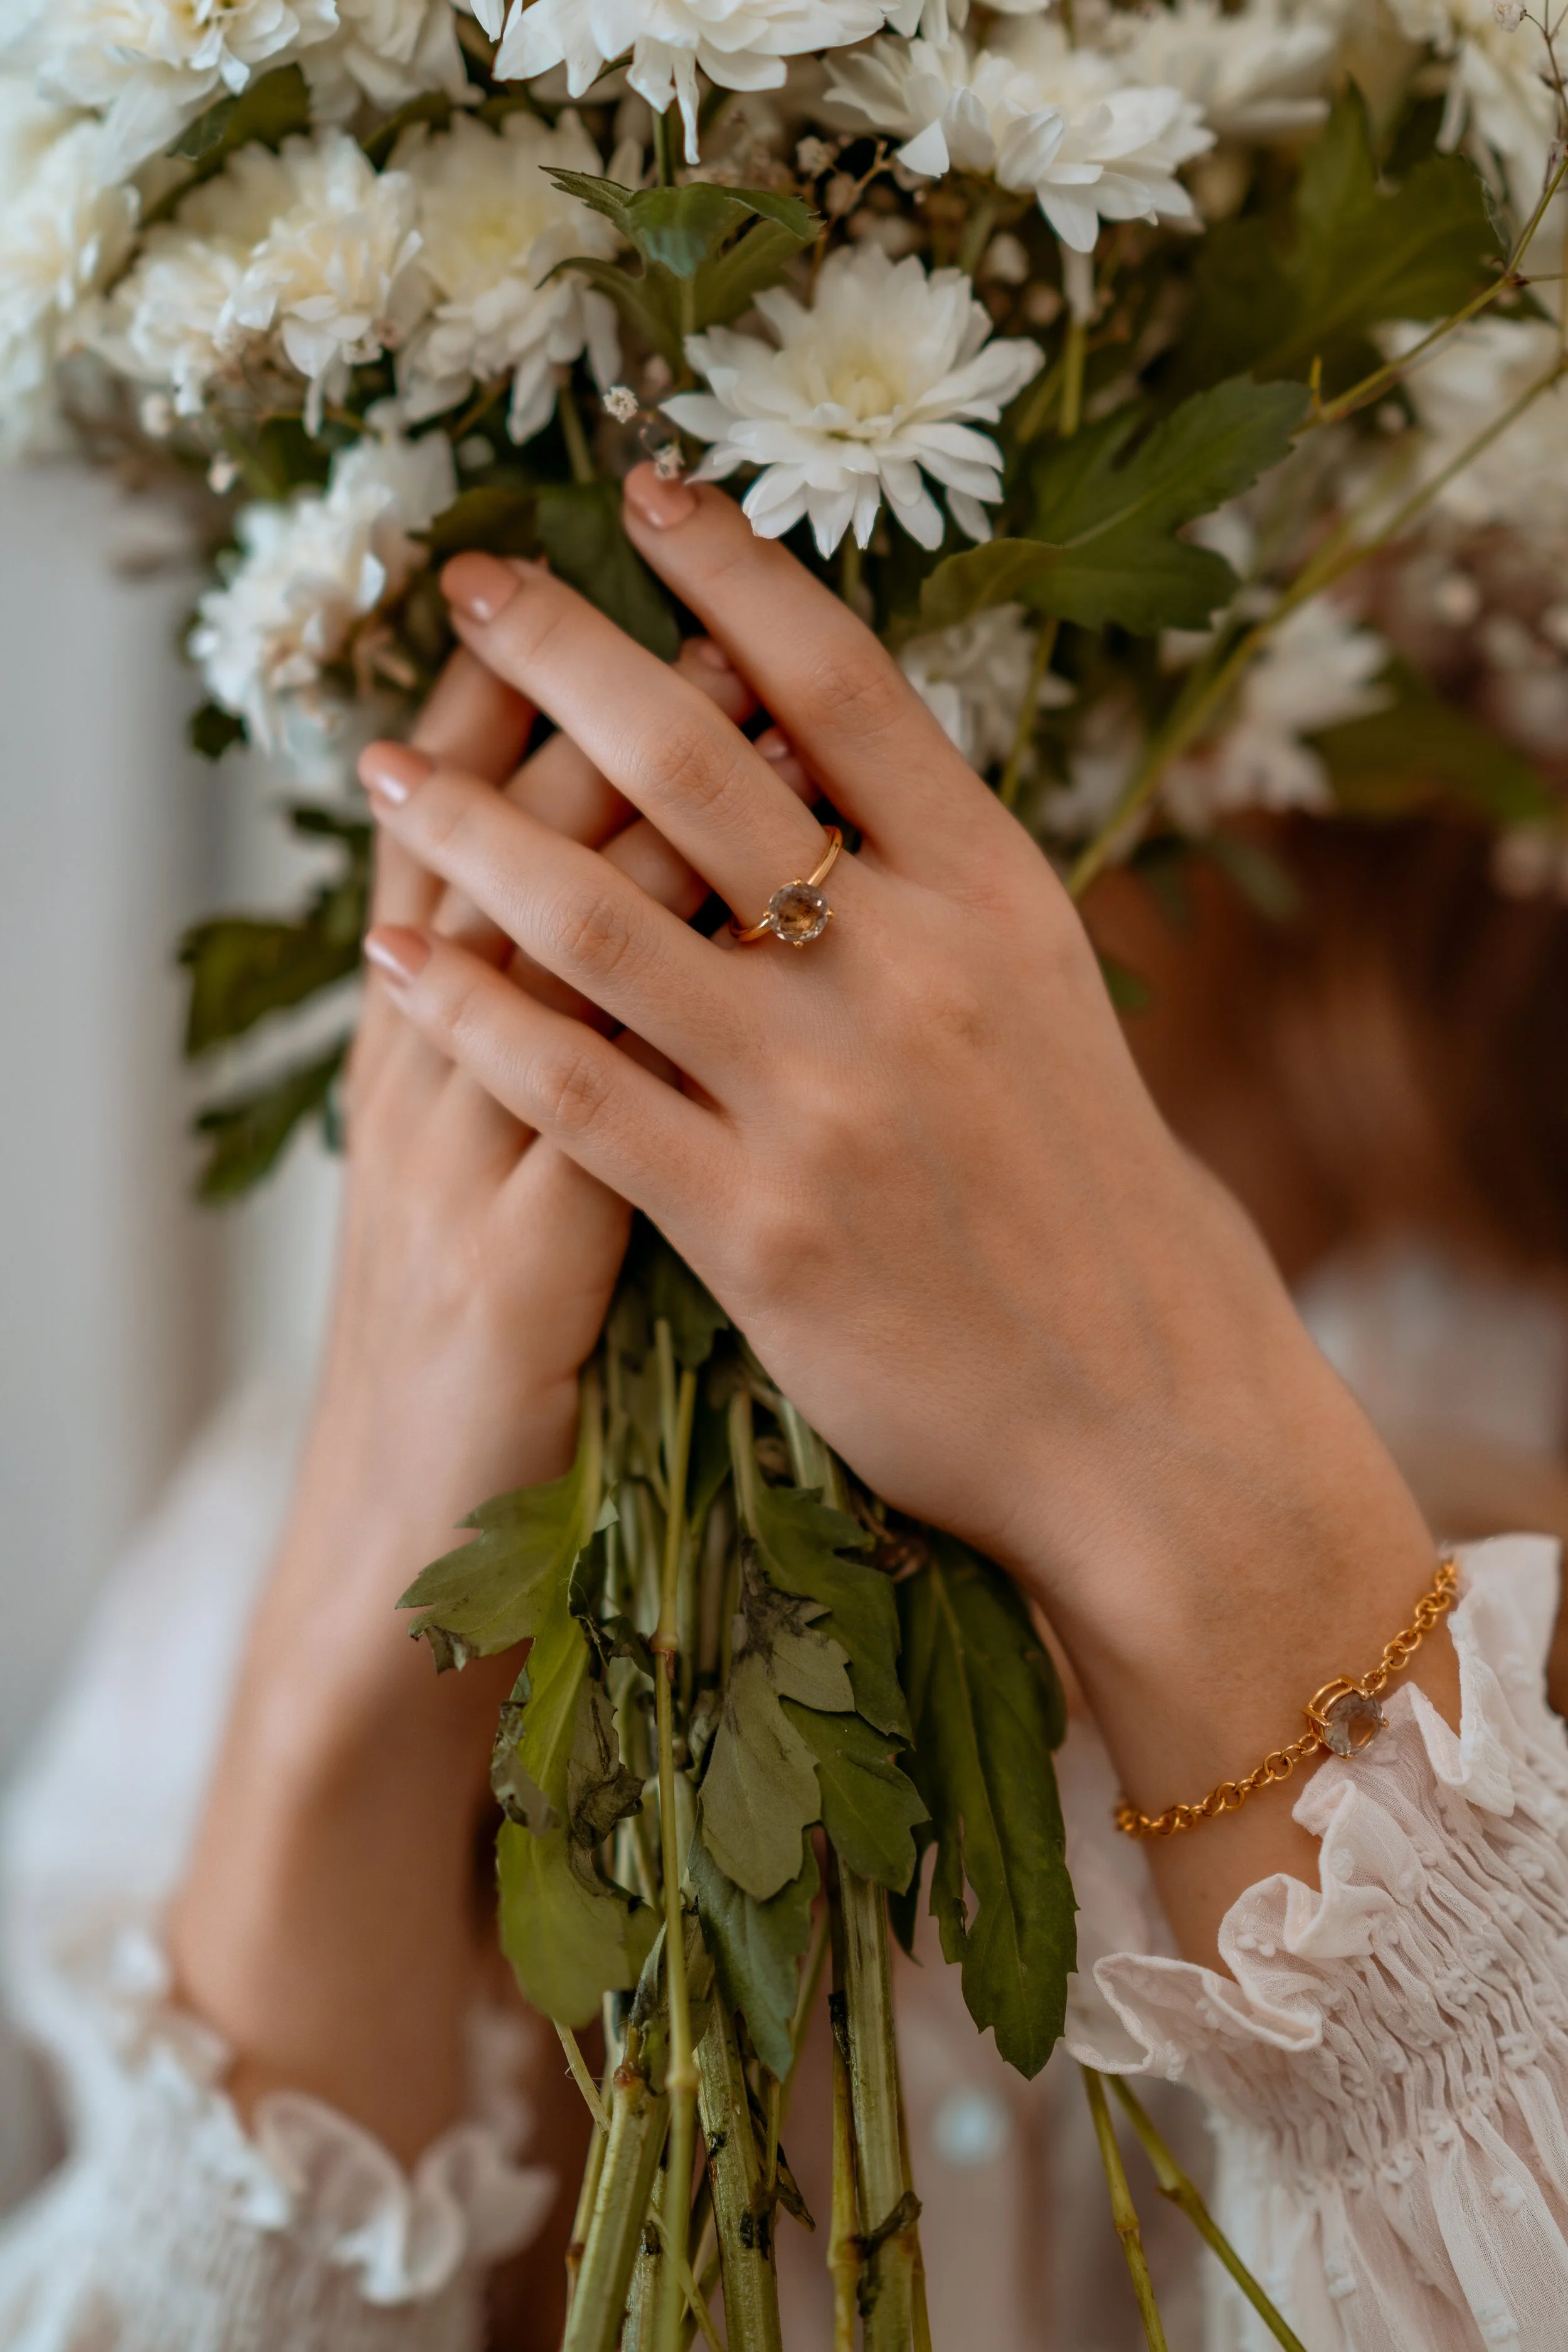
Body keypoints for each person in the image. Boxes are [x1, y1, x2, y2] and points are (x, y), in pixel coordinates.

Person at [3, 463, 1567, 2351]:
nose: (715, 727)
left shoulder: (1499, 1363)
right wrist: (350, 1618)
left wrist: (1174, 1473)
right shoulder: (336, 1472)